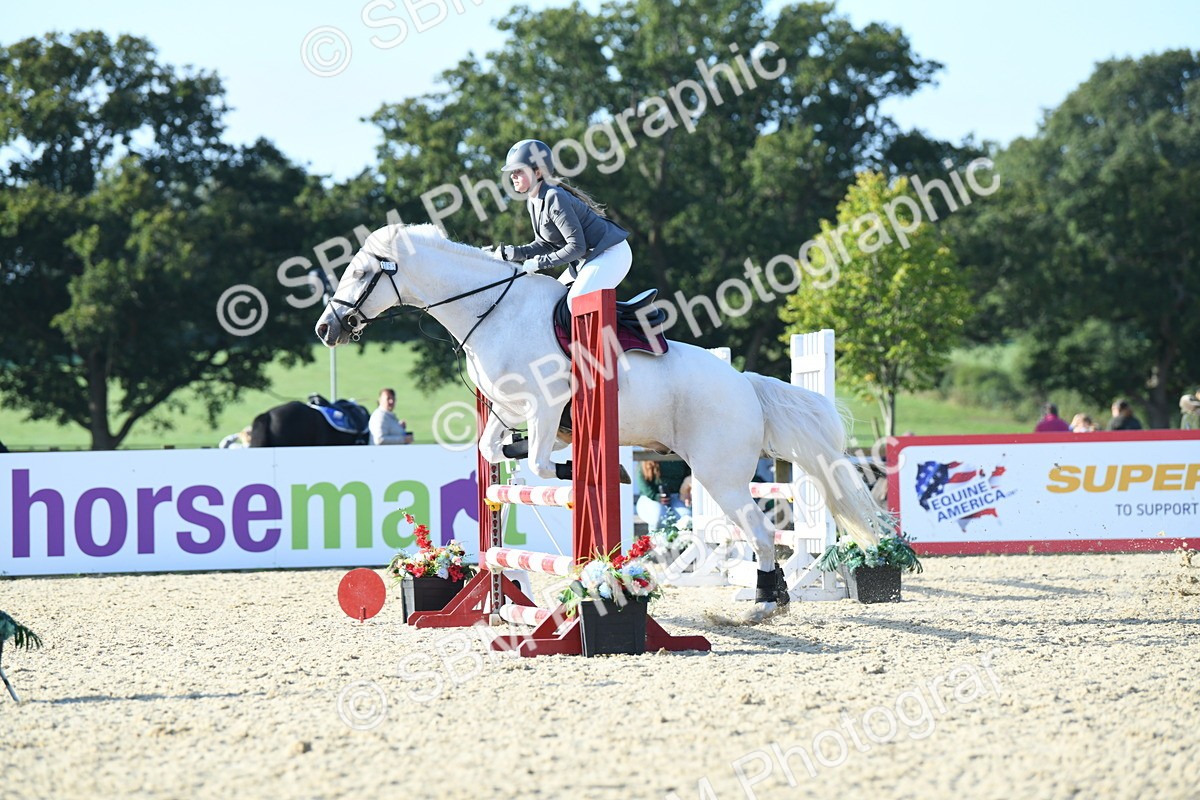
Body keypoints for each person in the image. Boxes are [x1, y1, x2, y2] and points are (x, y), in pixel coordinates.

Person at [489, 139, 632, 310]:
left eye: (518, 171)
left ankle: (611, 336)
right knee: (552, 301)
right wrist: (515, 253)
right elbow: (545, 244)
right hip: (588, 259)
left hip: (610, 254)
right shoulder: (533, 200)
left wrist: (540, 263)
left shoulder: (554, 197)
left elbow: (577, 247)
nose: (512, 176)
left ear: (538, 172)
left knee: (575, 302)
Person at [634, 457, 692, 529]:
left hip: (676, 496)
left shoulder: (680, 455)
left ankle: (682, 540)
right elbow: (643, 483)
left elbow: (689, 475)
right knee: (658, 517)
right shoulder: (648, 456)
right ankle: (654, 539)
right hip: (652, 498)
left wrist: (685, 491)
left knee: (687, 517)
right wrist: (656, 496)